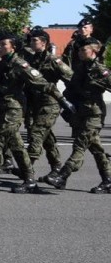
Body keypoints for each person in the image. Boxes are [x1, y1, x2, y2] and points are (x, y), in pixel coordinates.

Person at [0, 30, 70, 193]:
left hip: (13, 109)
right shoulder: (1, 64)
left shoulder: (21, 65)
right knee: (17, 145)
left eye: (3, 45)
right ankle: (29, 180)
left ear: (13, 47)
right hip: (1, 108)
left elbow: (44, 83)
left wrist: (64, 101)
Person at [44, 37, 111, 193]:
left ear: (93, 51)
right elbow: (71, 89)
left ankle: (62, 175)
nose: (80, 53)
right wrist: (66, 105)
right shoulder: (81, 68)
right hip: (80, 113)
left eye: (83, 50)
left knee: (79, 146)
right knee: (96, 149)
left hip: (94, 114)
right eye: (79, 50)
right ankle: (107, 181)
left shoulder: (101, 71)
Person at [22, 28, 73, 181]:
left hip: (49, 103)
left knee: (37, 134)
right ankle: (56, 167)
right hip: (34, 103)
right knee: (47, 138)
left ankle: (26, 169)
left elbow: (71, 79)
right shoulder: (32, 59)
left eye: (34, 40)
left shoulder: (53, 61)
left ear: (44, 43)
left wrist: (68, 100)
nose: (31, 42)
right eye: (30, 40)